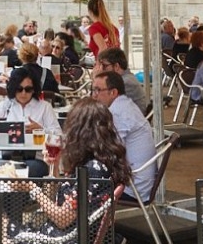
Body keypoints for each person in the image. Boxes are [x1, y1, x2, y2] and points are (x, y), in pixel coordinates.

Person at [11, 98, 132, 239]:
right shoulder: (94, 164)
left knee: (1, 224)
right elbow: (53, 201)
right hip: (66, 235)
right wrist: (54, 166)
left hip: (63, 239)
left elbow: (62, 220)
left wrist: (33, 190)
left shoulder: (92, 171)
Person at [91, 71, 156, 200]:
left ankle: (76, 218)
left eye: (98, 90)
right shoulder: (126, 105)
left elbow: (107, 152)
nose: (94, 95)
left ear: (113, 93)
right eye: (93, 90)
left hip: (132, 188)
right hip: (139, 182)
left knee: (82, 178)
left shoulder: (117, 113)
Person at [95, 47, 147, 113]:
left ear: (116, 66)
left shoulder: (125, 82)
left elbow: (99, 103)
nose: (101, 70)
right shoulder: (124, 78)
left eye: (104, 66)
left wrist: (96, 79)